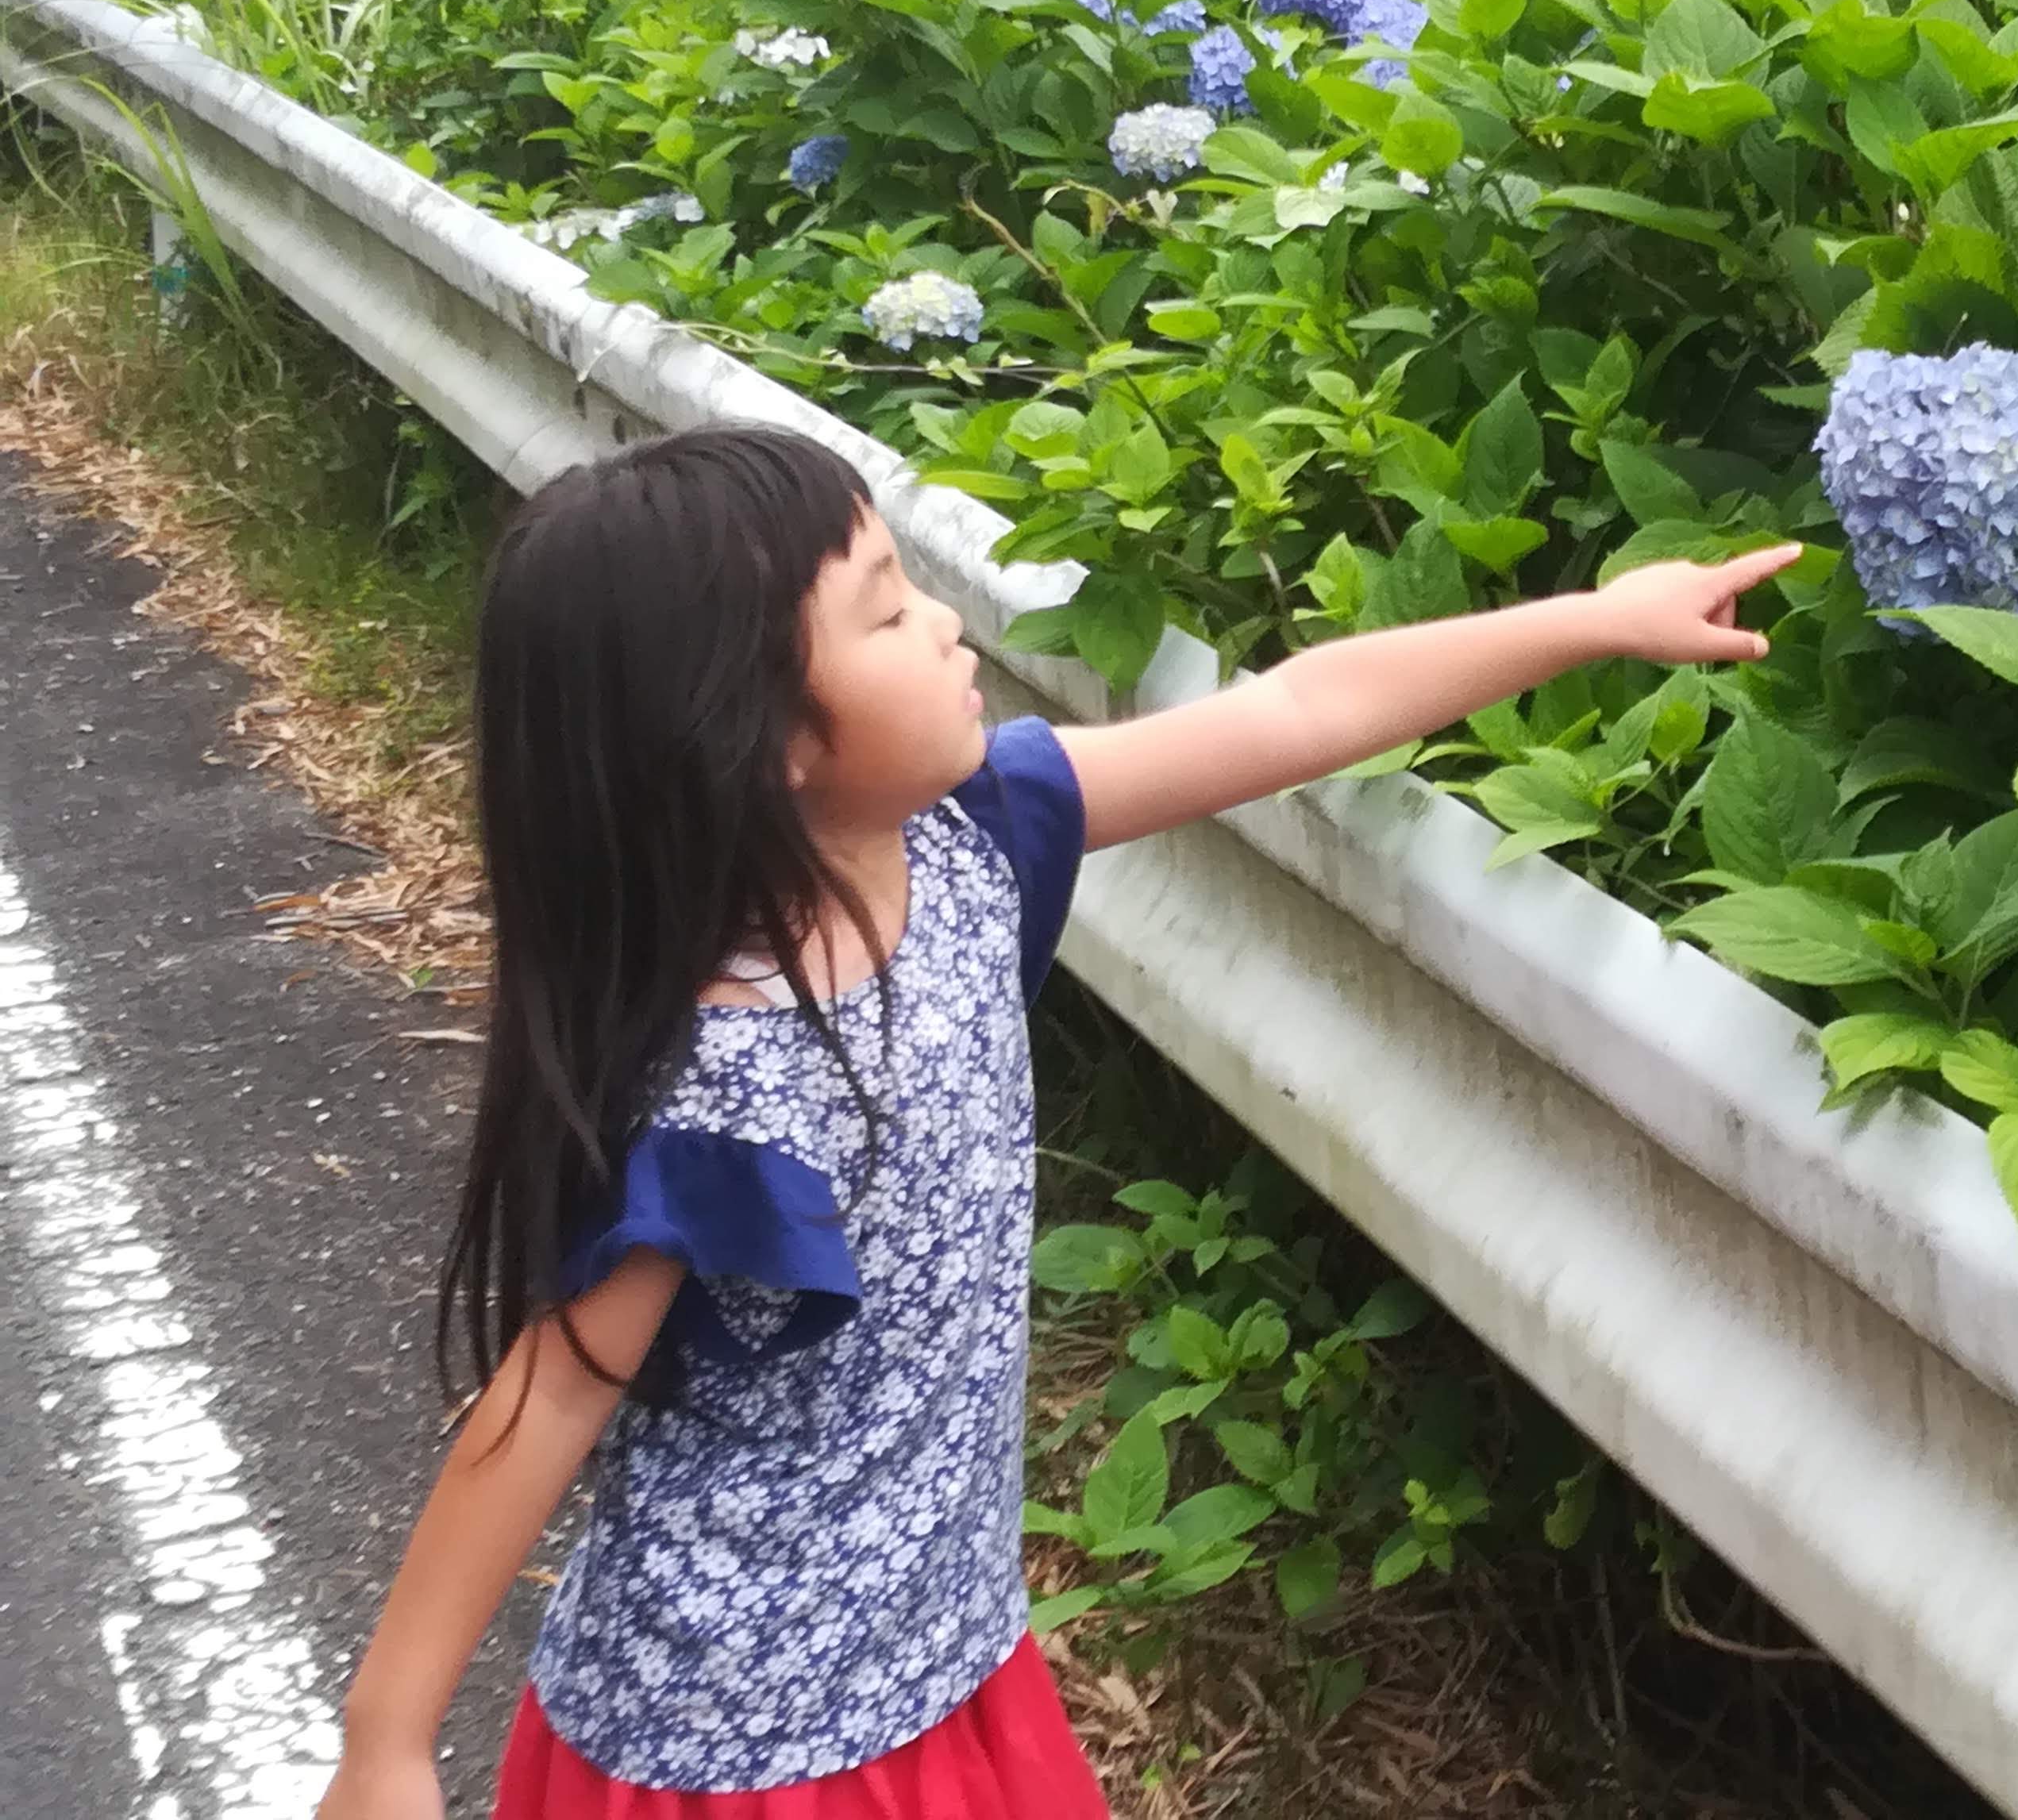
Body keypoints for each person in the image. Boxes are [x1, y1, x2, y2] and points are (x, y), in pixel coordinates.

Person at [309, 423, 1797, 1820]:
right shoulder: (718, 1096)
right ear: (763, 738)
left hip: (943, 1658)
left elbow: (1295, 710)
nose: (951, 626)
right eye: (889, 612)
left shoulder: (964, 848)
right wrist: (387, 1741)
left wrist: (1601, 616)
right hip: (746, 1745)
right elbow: (547, 1399)